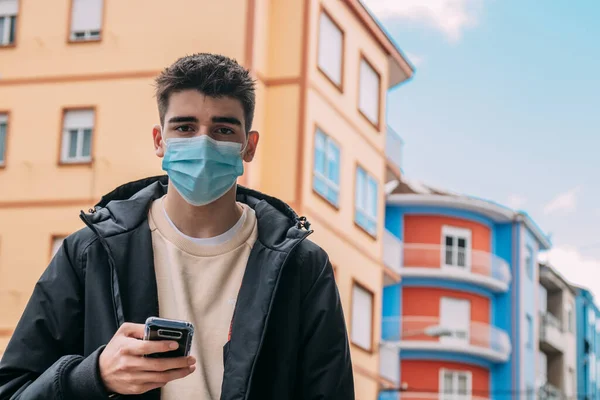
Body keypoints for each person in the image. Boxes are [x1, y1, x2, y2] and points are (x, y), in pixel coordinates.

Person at [0, 53, 354, 400]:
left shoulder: (302, 265)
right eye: (185, 127)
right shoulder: (90, 253)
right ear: (159, 140)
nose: (203, 142)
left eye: (222, 129)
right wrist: (94, 376)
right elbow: (13, 389)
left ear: (249, 146)